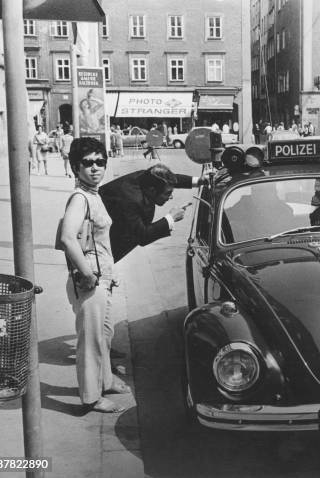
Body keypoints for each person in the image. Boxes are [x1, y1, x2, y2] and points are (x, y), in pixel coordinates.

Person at [59, 137, 129, 413]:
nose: (95, 168)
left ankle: (106, 380)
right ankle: (90, 397)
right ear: (76, 167)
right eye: (87, 163)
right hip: (90, 281)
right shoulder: (79, 198)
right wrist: (88, 275)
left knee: (105, 335)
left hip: (103, 278)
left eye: (100, 162)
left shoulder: (93, 195)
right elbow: (67, 238)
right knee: (90, 341)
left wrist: (107, 275)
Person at [99, 163, 205, 263]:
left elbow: (168, 180)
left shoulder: (147, 178)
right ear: (152, 191)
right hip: (99, 253)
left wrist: (199, 181)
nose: (171, 197)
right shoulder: (130, 200)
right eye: (168, 193)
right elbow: (142, 237)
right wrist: (170, 218)